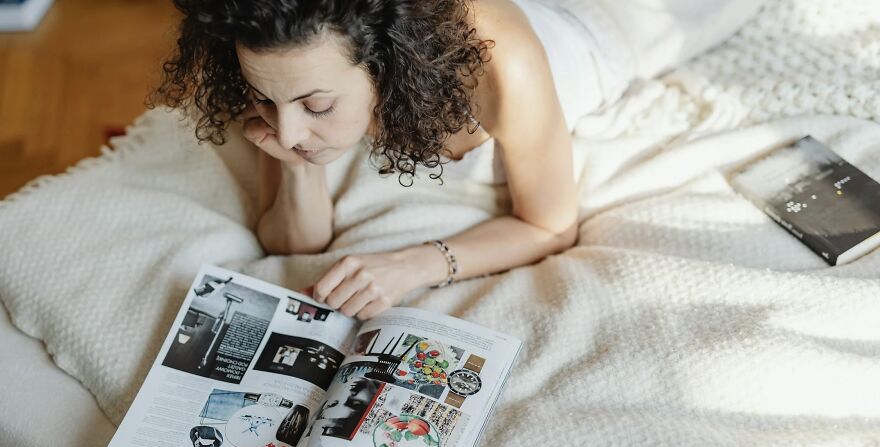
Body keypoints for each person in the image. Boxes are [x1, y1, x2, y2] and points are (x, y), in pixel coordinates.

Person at [151, 0, 765, 320]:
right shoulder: (290, 71)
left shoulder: (502, 69)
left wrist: (413, 266)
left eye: (315, 105)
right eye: (264, 98)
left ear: (386, 61)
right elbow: (292, 243)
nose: (284, 128)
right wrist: (300, 164)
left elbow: (550, 224)